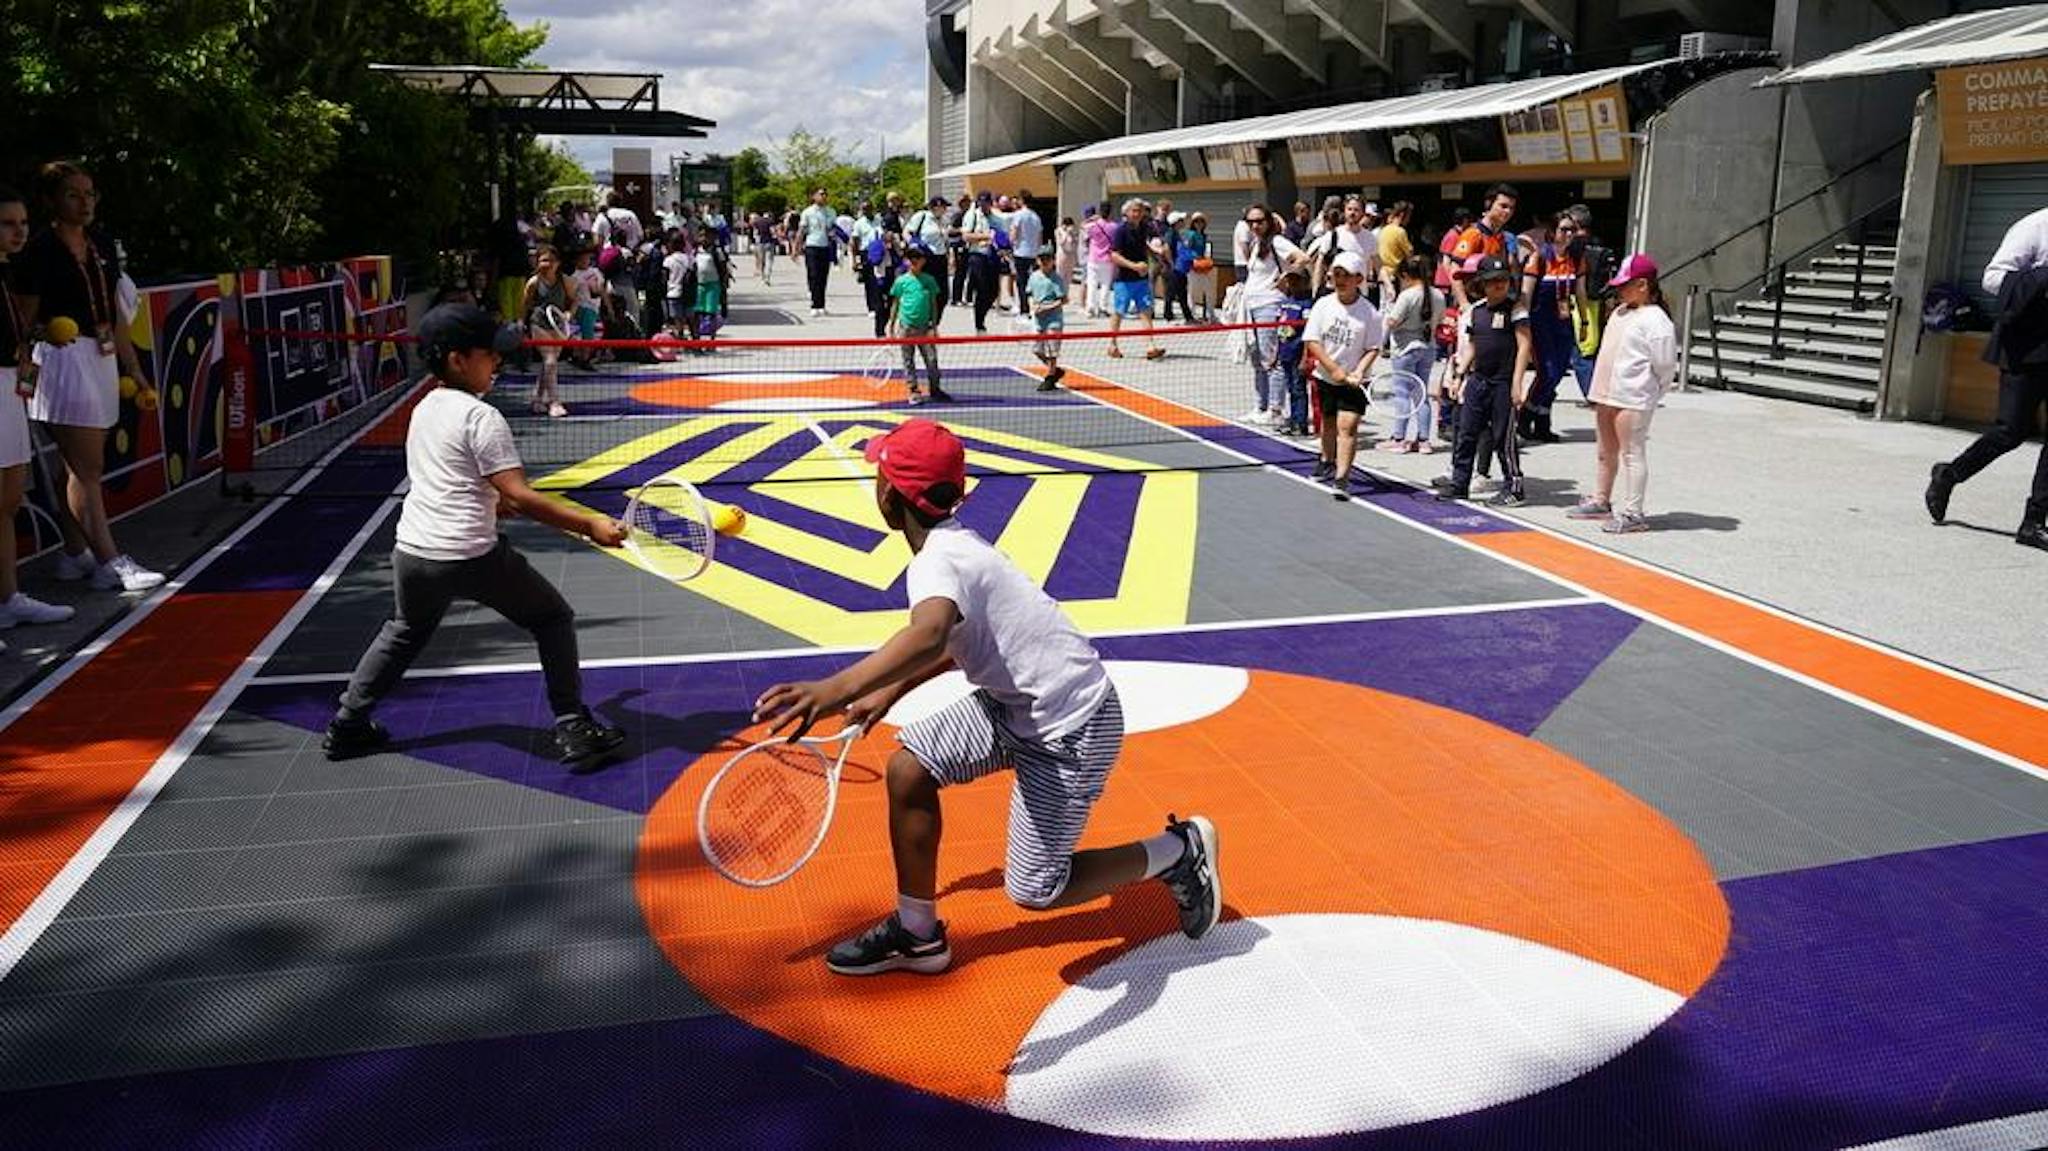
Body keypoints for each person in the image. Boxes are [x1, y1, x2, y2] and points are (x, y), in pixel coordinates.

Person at [751, 418, 1223, 976]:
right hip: (1015, 705)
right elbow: (966, 641)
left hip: (1070, 727)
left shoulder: (937, 562)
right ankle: (918, 933)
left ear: (887, 495)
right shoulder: (955, 549)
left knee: (1036, 889)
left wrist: (834, 689)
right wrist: (891, 690)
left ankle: (1177, 852)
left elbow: (929, 635)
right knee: (909, 769)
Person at [323, 302, 628, 769]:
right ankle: (573, 725)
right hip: (468, 555)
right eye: (489, 353)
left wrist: (493, 503)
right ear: (457, 360)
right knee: (552, 619)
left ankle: (347, 725)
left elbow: (459, 480)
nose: (499, 361)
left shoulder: (425, 407)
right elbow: (520, 496)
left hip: (414, 551)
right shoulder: (481, 418)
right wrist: (589, 524)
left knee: (404, 630)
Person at [9, 162, 163, 593]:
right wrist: (45, 336)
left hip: (100, 357)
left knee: (76, 470)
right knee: (86, 468)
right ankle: (110, 563)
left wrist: (134, 370)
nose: (85, 202)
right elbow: (21, 323)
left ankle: (74, 555)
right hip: (61, 361)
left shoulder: (100, 245)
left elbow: (115, 316)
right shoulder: (37, 252)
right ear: (50, 201)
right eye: (73, 194)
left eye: (90, 193)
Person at [1926, 204, 2048, 551]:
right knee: (2011, 431)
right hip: (2026, 346)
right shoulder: (2035, 226)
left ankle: (2034, 522)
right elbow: (1992, 277)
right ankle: (1948, 475)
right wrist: (2042, 276)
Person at [0, 185, 77, 644]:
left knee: (7, 501)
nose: (19, 231)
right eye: (8, 224)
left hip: (10, 385)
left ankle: (9, 600)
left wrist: (35, 336)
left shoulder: (9, 273)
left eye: (23, 223)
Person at [1567, 255, 1677, 534]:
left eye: (1625, 285)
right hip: (1607, 393)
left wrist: (1653, 391)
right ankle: (1601, 500)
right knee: (1605, 452)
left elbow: (1665, 366)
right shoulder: (1620, 312)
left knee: (1632, 453)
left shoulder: (1656, 320)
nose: (1619, 290)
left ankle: (1633, 512)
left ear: (1643, 285)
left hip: (1633, 396)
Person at [1434, 256, 1530, 507]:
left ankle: (1514, 486)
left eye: (1503, 280)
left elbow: (1524, 346)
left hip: (1503, 381)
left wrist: (1517, 383)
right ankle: (1459, 483)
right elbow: (1473, 346)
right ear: (1482, 284)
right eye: (1492, 281)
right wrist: (1458, 374)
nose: (1498, 285)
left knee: (1502, 437)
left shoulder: (1516, 309)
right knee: (1466, 432)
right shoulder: (1477, 312)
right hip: (1479, 379)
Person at [1305, 253, 1385, 502]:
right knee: (1328, 422)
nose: (1339, 280)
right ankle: (1327, 460)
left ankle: (1342, 478)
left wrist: (1359, 371)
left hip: (1354, 383)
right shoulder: (1323, 305)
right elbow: (1312, 341)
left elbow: (1373, 347)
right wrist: (1334, 370)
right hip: (1326, 377)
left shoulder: (1370, 313)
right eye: (1336, 274)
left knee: (1347, 427)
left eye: (1346, 275)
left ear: (1359, 279)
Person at [1519, 210, 1591, 443]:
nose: (1569, 234)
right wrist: (1523, 327)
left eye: (1572, 229)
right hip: (1541, 322)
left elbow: (1580, 292)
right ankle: (1526, 414)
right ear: (1552, 231)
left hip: (1564, 322)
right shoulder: (1539, 257)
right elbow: (1526, 295)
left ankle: (1542, 422)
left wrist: (1585, 321)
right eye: (1564, 229)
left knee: (1559, 372)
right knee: (1547, 372)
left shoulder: (1576, 258)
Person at [1235, 202, 1308, 423]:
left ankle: (1275, 410)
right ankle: (1260, 406)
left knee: (1272, 359)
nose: (1255, 225)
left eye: (1259, 221)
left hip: (1269, 305)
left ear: (1268, 222)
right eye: (1251, 222)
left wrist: (1285, 277)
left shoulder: (1277, 241)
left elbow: (1303, 258)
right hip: (1252, 306)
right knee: (1257, 359)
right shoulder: (1258, 245)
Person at [1380, 254, 1444, 454]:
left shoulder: (1407, 296)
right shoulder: (1438, 295)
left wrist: (1381, 342)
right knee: (1421, 392)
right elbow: (1440, 320)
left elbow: (1393, 321)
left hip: (1405, 346)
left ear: (1406, 275)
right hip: (1428, 346)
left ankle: (1399, 437)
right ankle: (1424, 439)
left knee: (1402, 392)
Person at [887, 245, 952, 405]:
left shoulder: (929, 280)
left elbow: (933, 304)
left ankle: (935, 389)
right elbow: (895, 303)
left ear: (923, 260)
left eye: (918, 258)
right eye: (911, 258)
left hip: (925, 327)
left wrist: (934, 326)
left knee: (931, 360)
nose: (914, 261)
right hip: (906, 326)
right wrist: (891, 323)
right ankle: (913, 390)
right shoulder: (901, 281)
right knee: (908, 361)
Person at [1107, 199, 1167, 360]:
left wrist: (1156, 255)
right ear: (1126, 213)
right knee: (1119, 312)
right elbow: (1113, 255)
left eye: (1140, 210)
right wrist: (1134, 266)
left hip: (1142, 280)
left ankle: (1150, 345)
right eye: (1134, 210)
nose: (1137, 213)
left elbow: (1143, 246)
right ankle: (1112, 344)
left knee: (1145, 311)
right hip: (1124, 280)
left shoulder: (1143, 228)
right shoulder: (1120, 230)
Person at [520, 244, 575, 416]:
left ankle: (537, 399)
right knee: (550, 361)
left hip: (558, 325)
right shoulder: (534, 282)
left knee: (548, 366)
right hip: (539, 323)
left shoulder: (565, 281)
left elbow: (574, 301)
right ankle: (554, 402)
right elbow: (525, 305)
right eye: (543, 260)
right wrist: (521, 324)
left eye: (550, 260)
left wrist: (568, 314)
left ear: (558, 263)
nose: (547, 264)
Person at [1449, 185, 1520, 307]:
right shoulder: (1473, 234)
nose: (1508, 212)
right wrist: (1464, 304)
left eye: (1511, 208)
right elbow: (1454, 270)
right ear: (1489, 205)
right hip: (1475, 304)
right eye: (1503, 206)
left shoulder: (1502, 238)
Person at [1274, 269, 1313, 437]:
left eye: (1298, 281)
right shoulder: (1285, 303)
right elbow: (1279, 329)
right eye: (1291, 281)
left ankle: (1300, 423)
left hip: (1297, 353)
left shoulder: (1307, 305)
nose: (1294, 284)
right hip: (1285, 352)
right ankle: (1293, 418)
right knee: (1290, 387)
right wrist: (1275, 354)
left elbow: (1308, 334)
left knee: (1298, 388)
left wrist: (1305, 357)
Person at [1026, 248, 1067, 392]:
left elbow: (1063, 299)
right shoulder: (1034, 277)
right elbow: (1029, 294)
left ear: (1052, 261)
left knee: (1052, 349)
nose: (1044, 262)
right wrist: (1033, 306)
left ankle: (1050, 376)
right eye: (1042, 259)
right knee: (1037, 349)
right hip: (1038, 319)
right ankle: (1055, 370)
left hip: (1053, 319)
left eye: (1047, 259)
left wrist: (1047, 307)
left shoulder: (1056, 279)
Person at [906, 196, 950, 322]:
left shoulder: (944, 220)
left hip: (940, 258)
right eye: (944, 207)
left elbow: (945, 240)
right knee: (924, 292)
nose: (945, 209)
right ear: (936, 207)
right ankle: (921, 323)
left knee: (943, 295)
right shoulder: (921, 217)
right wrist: (914, 247)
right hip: (925, 259)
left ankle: (933, 323)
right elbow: (908, 232)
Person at [798, 187, 836, 316]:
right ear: (814, 196)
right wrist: (795, 248)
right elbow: (802, 230)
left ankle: (822, 305)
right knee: (813, 275)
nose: (823, 196)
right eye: (820, 194)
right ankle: (814, 304)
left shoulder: (830, 212)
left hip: (825, 246)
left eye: (825, 194)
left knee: (823, 276)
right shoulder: (807, 212)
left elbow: (833, 229)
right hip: (812, 245)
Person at [1006, 191, 1043, 317]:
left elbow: (1014, 233)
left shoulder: (1019, 215)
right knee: (1033, 282)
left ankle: (1024, 309)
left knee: (1021, 282)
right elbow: (1039, 237)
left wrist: (1009, 243)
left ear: (1022, 200)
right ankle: (1034, 307)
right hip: (1033, 253)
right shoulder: (1036, 217)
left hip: (1021, 252)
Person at [1083, 202, 1117, 319]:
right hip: (1108, 258)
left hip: (1093, 258)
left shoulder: (1093, 225)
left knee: (1092, 283)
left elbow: (1083, 228)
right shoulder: (1114, 226)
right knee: (1105, 285)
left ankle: (1090, 308)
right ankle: (1103, 308)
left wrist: (1093, 218)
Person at [1377, 202, 1414, 301]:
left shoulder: (1383, 230)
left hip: (1384, 275)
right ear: (1402, 215)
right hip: (1396, 275)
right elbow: (1409, 253)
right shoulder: (1400, 232)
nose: (1409, 220)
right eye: (1408, 216)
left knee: (1384, 306)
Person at [1185, 213, 1216, 323]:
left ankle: (1210, 314)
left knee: (1208, 290)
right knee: (1193, 291)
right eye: (1197, 221)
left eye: (1201, 221)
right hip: (1193, 266)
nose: (1199, 224)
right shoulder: (1190, 234)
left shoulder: (1203, 235)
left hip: (1203, 265)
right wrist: (1192, 260)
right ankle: (1191, 315)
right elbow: (1186, 249)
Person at [1054, 215, 1080, 299]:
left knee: (1068, 277)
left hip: (1070, 255)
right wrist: (1066, 233)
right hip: (1062, 255)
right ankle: (1058, 293)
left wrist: (1072, 234)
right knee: (1060, 275)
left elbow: (1076, 243)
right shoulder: (1058, 231)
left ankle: (1066, 294)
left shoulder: (1073, 232)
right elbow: (1061, 242)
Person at [750, 210, 777, 284]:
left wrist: (756, 241)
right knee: (770, 260)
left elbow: (755, 233)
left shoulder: (757, 222)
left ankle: (762, 277)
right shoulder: (770, 221)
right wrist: (775, 237)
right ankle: (768, 277)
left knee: (762, 261)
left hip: (760, 243)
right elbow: (773, 231)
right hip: (769, 242)